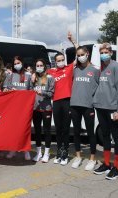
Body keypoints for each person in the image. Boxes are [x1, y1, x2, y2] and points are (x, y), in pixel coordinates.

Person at [93, 43, 118, 180]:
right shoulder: (100, 68)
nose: (103, 54)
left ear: (111, 53)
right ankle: (106, 164)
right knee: (105, 136)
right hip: (100, 107)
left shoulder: (116, 67)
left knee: (116, 138)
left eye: (106, 52)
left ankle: (116, 167)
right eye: (101, 52)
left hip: (112, 109)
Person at [69, 46, 100, 170]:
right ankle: (78, 156)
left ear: (87, 54)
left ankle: (92, 159)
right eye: (78, 55)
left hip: (88, 106)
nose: (80, 57)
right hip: (75, 105)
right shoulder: (75, 70)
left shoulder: (95, 70)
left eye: (82, 54)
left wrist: (94, 101)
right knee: (76, 132)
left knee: (90, 133)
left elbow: (100, 88)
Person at [47, 32, 75, 165]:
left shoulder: (69, 68)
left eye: (62, 60)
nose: (60, 62)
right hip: (56, 102)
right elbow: (38, 72)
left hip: (67, 101)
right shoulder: (51, 72)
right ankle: (59, 152)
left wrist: (72, 40)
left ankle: (65, 154)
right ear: (55, 62)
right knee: (58, 129)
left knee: (65, 128)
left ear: (64, 60)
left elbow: (79, 53)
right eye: (58, 60)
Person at [3, 56, 32, 160]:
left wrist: (22, 93)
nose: (16, 65)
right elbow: (5, 88)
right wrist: (8, 90)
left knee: (25, 129)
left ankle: (26, 151)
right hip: (13, 107)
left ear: (22, 63)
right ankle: (13, 150)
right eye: (15, 63)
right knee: (13, 129)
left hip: (25, 107)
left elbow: (31, 90)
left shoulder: (28, 75)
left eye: (18, 63)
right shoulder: (10, 75)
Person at [31, 59, 55, 163]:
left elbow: (52, 93)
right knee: (37, 131)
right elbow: (29, 90)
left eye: (41, 65)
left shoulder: (50, 78)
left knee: (47, 131)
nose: (39, 67)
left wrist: (43, 93)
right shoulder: (33, 77)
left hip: (46, 108)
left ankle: (46, 153)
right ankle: (38, 153)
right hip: (36, 108)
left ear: (44, 66)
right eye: (37, 65)